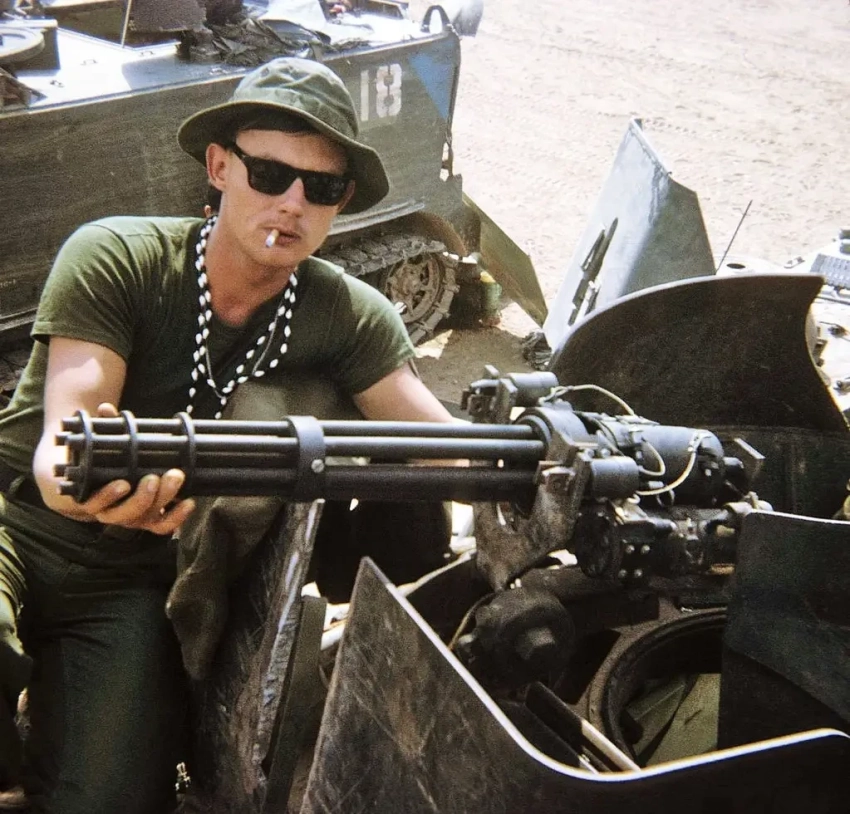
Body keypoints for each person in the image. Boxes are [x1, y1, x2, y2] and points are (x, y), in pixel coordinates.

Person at [0, 56, 455, 812]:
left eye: (322, 187)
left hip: (133, 581)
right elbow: (66, 441)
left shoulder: (349, 316)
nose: (293, 203)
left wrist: (555, 455)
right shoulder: (119, 256)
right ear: (219, 167)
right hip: (18, 524)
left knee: (113, 797)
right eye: (269, 174)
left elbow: (444, 446)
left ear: (341, 203)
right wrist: (78, 488)